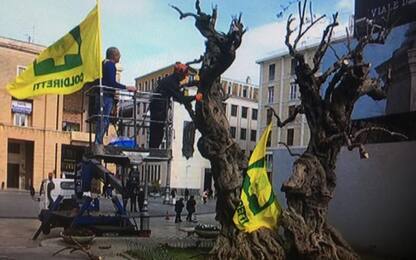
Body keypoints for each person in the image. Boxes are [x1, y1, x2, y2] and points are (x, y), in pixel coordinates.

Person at [93, 47, 136, 154]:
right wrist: (127, 87)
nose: (120, 57)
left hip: (101, 95)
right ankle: (98, 142)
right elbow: (112, 83)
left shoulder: (103, 64)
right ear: (113, 56)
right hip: (106, 96)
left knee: (102, 119)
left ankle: (98, 141)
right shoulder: (111, 65)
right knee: (104, 119)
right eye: (118, 55)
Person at [149, 62, 198, 149]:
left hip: (158, 108)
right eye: (185, 74)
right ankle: (153, 150)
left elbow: (177, 93)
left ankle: (153, 149)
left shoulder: (171, 80)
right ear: (180, 73)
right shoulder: (171, 82)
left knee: (157, 132)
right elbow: (181, 98)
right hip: (159, 109)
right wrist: (195, 97)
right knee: (157, 132)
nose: (186, 77)